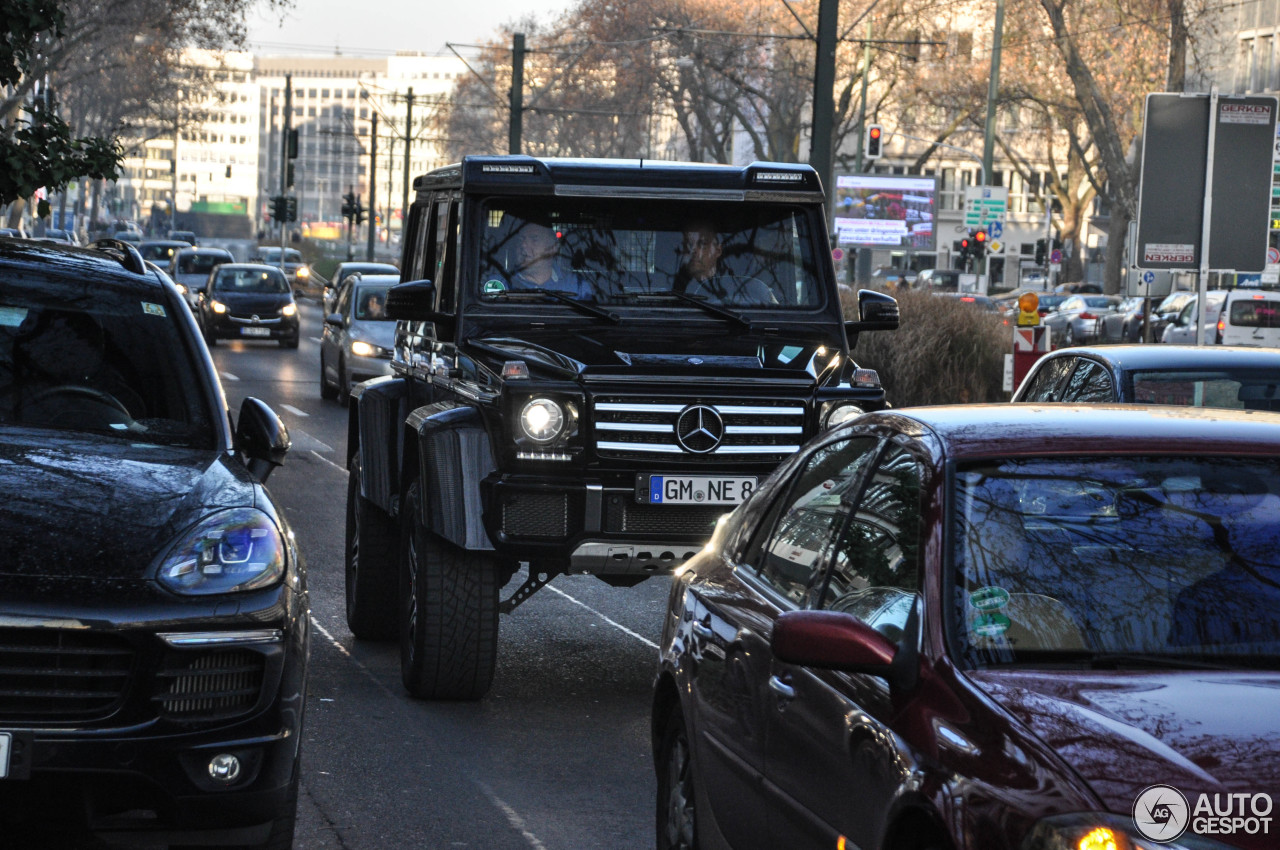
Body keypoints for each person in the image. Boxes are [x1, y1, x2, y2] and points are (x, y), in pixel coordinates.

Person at [676, 220, 777, 306]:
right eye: (688, 244)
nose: (693, 250)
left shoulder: (750, 288)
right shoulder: (672, 292)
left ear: (718, 250)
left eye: (702, 244)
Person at [505, 223, 593, 300]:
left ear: (553, 248)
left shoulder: (576, 286)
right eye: (521, 240)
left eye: (534, 239)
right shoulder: (501, 283)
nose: (523, 245)